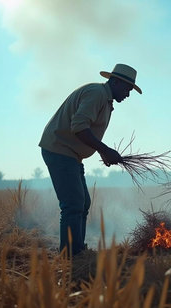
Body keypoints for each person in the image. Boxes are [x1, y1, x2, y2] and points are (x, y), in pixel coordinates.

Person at [39, 63, 142, 256]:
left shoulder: (105, 98)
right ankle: (70, 255)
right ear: (116, 81)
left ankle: (77, 250)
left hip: (72, 155)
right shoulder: (97, 94)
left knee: (83, 203)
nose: (128, 94)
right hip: (60, 150)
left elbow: (85, 130)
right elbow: (78, 127)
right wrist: (106, 150)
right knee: (73, 204)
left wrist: (103, 152)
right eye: (127, 89)